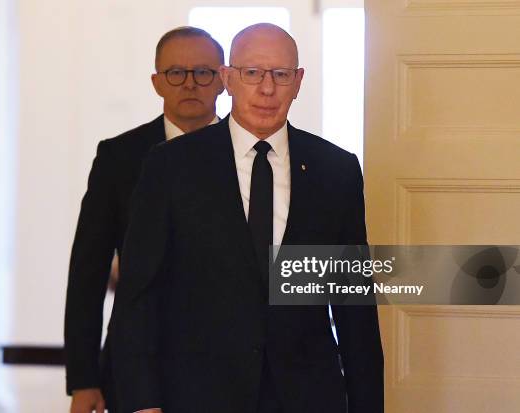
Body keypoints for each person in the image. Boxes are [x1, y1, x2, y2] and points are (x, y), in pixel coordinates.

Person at [109, 23, 383, 413]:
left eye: (281, 75)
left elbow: (353, 306)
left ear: (298, 81)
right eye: (252, 73)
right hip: (196, 394)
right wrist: (143, 401)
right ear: (228, 79)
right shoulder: (172, 166)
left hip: (307, 395)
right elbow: (139, 296)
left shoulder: (335, 170)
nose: (267, 89)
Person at [64, 26, 225, 413]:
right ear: (157, 82)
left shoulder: (252, 155)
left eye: (203, 72)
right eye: (176, 73)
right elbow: (88, 270)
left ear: (224, 80)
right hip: (136, 360)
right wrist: (84, 380)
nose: (189, 84)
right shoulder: (119, 158)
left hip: (229, 362)